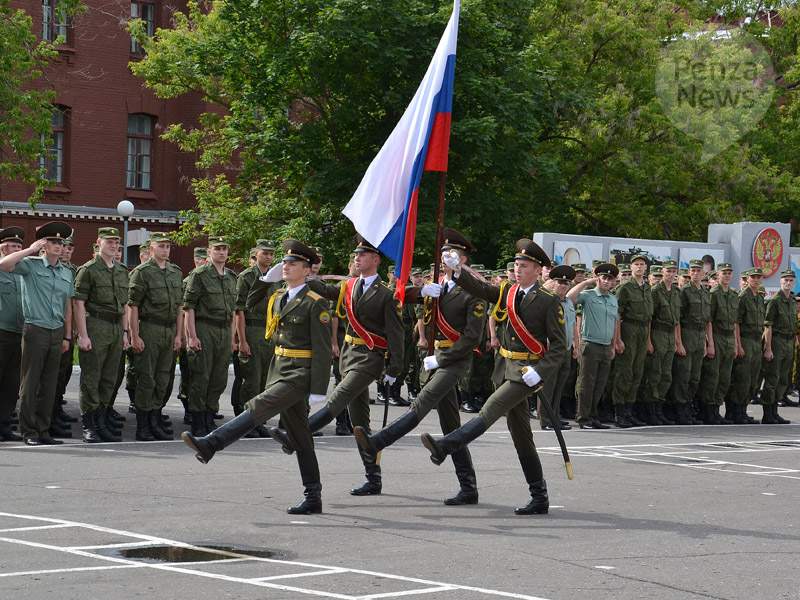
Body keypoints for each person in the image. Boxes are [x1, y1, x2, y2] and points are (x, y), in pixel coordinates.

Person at [182, 240, 332, 514]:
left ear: (307, 271)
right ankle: (314, 496)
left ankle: (212, 443)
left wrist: (319, 388)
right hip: (279, 368)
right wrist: (264, 280)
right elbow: (249, 304)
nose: (285, 267)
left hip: (300, 373)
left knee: (259, 405)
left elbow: (322, 348)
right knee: (301, 436)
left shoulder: (315, 302)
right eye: (284, 263)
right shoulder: (278, 297)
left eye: (293, 264)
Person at [421, 239, 567, 515]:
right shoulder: (508, 293)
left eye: (524, 266)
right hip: (505, 370)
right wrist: (459, 270)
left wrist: (540, 371)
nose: (518, 270)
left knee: (489, 410)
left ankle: (445, 446)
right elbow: (481, 289)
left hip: (525, 375)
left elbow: (559, 346)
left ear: (538, 270)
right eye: (516, 265)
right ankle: (539, 495)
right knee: (521, 436)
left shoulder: (549, 302)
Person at [263, 236, 407, 496]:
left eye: (362, 255)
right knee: (359, 422)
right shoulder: (350, 287)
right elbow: (327, 291)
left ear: (375, 260)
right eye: (356, 255)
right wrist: (305, 278)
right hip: (350, 356)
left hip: (370, 358)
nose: (356, 258)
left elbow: (396, 334)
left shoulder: (386, 295)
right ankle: (373, 478)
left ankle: (298, 436)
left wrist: (395, 369)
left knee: (338, 397)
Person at [354, 228, 487, 505]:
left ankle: (379, 441)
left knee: (424, 400)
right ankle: (469, 486)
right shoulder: (439, 286)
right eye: (443, 254)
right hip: (435, 358)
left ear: (463, 260)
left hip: (454, 360)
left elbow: (473, 337)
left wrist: (442, 359)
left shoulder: (472, 290)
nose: (444, 259)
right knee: (451, 424)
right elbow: (397, 296)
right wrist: (421, 290)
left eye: (451, 254)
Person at [0, 221, 74, 445]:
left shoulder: (66, 272)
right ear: (43, 244)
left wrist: (67, 336)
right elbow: (4, 264)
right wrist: (31, 249)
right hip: (35, 329)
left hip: (56, 330)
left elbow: (67, 306)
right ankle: (29, 431)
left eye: (61, 242)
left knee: (50, 384)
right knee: (30, 383)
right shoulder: (31, 265)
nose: (58, 246)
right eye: (53, 242)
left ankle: (43, 430)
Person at [73, 227, 130, 442]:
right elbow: (79, 303)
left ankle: (102, 421)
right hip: (96, 324)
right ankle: (89, 425)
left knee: (109, 378)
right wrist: (83, 334)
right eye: (110, 242)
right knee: (92, 377)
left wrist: (125, 333)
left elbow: (124, 305)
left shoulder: (122, 270)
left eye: (117, 242)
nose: (114, 246)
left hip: (115, 327)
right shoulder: (88, 269)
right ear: (99, 242)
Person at [126, 233, 184, 442]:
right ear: (151, 248)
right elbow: (133, 306)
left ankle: (155, 420)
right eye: (161, 246)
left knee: (162, 378)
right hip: (149, 328)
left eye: (168, 246)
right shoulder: (142, 273)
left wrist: (179, 335)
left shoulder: (175, 272)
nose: (165, 250)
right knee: (147, 379)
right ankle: (143, 427)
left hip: (169, 331)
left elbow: (179, 307)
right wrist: (135, 335)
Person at [182, 237, 237, 436]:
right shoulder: (200, 274)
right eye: (217, 249)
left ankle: (209, 415)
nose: (222, 252)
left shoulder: (231, 277)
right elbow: (189, 307)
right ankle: (197, 419)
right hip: (204, 327)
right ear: (209, 251)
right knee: (201, 376)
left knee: (219, 377)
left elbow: (233, 311)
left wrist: (232, 338)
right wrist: (192, 336)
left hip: (223, 330)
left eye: (224, 249)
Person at [234, 239, 278, 436]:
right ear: (255, 254)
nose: (268, 257)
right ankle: (245, 421)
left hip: (270, 332)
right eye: (265, 253)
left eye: (271, 253)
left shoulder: (276, 277)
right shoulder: (247, 276)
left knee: (264, 381)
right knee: (251, 379)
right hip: (252, 329)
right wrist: (242, 340)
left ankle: (258, 420)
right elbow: (239, 311)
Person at [568, 263, 620, 429]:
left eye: (610, 279)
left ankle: (593, 415)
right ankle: (583, 417)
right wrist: (585, 282)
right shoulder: (588, 295)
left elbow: (613, 323)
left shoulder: (613, 299)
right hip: (590, 344)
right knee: (586, 383)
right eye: (604, 277)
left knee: (600, 384)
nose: (606, 281)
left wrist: (613, 345)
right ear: (598, 278)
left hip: (606, 346)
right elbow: (569, 298)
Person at [612, 254, 653, 427]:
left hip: (643, 330)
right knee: (625, 372)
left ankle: (629, 410)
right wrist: (618, 339)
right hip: (629, 328)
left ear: (645, 268)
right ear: (631, 267)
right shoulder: (625, 287)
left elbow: (649, 316)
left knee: (637, 372)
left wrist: (649, 339)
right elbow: (617, 315)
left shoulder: (647, 287)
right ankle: (619, 412)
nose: (639, 267)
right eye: (636, 264)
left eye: (642, 264)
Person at [671, 259, 712, 425]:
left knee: (695, 376)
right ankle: (680, 410)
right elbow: (678, 320)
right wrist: (679, 342)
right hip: (687, 333)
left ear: (704, 273)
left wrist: (705, 343)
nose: (695, 273)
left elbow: (707, 319)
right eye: (693, 271)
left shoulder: (704, 292)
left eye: (698, 271)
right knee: (683, 375)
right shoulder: (684, 291)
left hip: (699, 335)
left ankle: (688, 407)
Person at [539, 265, 577, 430]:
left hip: (566, 348)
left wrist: (575, 344)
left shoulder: (568, 302)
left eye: (567, 283)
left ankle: (554, 417)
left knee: (560, 385)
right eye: (560, 282)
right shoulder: (547, 300)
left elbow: (572, 324)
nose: (563, 285)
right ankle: (545, 419)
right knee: (548, 385)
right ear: (553, 283)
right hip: (551, 349)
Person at [644, 259, 681, 425]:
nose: (671, 274)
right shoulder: (655, 291)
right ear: (663, 272)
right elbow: (649, 318)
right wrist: (649, 340)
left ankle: (659, 408)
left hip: (670, 334)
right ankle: (650, 410)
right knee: (655, 373)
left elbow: (677, 320)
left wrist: (677, 341)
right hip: (658, 332)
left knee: (666, 375)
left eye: (674, 271)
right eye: (668, 271)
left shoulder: (676, 291)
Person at [702, 263, 739, 424]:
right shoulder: (714, 294)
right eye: (724, 273)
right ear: (718, 275)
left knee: (725, 377)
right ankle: (709, 411)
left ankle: (717, 408)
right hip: (716, 335)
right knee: (713, 376)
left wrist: (736, 344)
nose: (727, 276)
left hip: (729, 337)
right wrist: (710, 343)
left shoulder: (732, 294)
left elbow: (735, 322)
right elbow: (708, 320)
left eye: (729, 273)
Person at [0, 227, 26, 441]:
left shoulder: (21, 272)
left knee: (11, 383)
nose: (17, 249)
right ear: (3, 247)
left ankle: (5, 425)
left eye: (20, 246)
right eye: (13, 246)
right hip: (1, 332)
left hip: (19, 333)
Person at [729, 268, 765, 424]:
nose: (756, 280)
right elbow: (736, 323)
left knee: (753, 379)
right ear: (748, 279)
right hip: (745, 339)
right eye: (753, 277)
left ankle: (743, 410)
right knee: (742, 378)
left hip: (756, 341)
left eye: (758, 277)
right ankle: (736, 412)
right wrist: (738, 344)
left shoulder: (758, 298)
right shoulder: (743, 297)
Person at [760, 269, 795, 424]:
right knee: (772, 377)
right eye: (785, 280)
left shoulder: (792, 301)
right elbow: (768, 326)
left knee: (783, 379)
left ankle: (775, 410)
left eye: (790, 280)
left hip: (789, 342)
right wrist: (768, 347)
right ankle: (767, 413)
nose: (788, 283)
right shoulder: (775, 301)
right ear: (780, 281)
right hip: (777, 341)